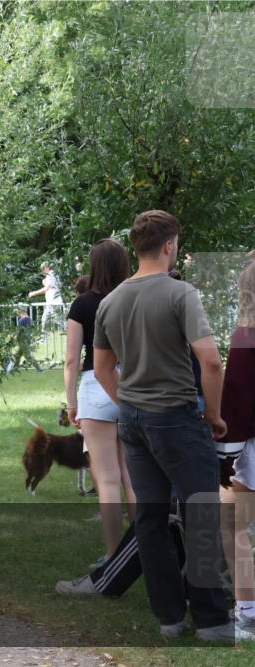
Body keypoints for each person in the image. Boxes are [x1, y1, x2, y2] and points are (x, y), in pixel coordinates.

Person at [93, 210, 250, 642]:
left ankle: (169, 618)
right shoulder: (181, 294)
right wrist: (215, 415)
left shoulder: (111, 301)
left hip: (133, 421)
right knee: (201, 514)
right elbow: (212, 361)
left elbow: (103, 369)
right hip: (177, 417)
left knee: (151, 519)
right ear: (169, 246)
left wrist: (128, 402)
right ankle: (214, 622)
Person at [63, 240, 137, 563]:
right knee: (133, 479)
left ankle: (114, 557)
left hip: (95, 386)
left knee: (106, 482)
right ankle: (146, 552)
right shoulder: (134, 299)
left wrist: (70, 403)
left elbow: (70, 360)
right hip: (130, 385)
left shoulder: (82, 305)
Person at [216, 259, 255, 634]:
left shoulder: (247, 337)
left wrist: (225, 459)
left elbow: (238, 400)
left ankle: (248, 610)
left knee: (232, 522)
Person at [28, 262, 65, 335]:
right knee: (45, 319)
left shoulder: (50, 275)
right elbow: (57, 286)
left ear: (46, 268)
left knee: (58, 320)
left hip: (53, 301)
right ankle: (43, 336)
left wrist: (33, 293)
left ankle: (69, 332)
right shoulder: (54, 275)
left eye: (43, 269)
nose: (42, 272)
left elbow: (46, 289)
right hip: (52, 301)